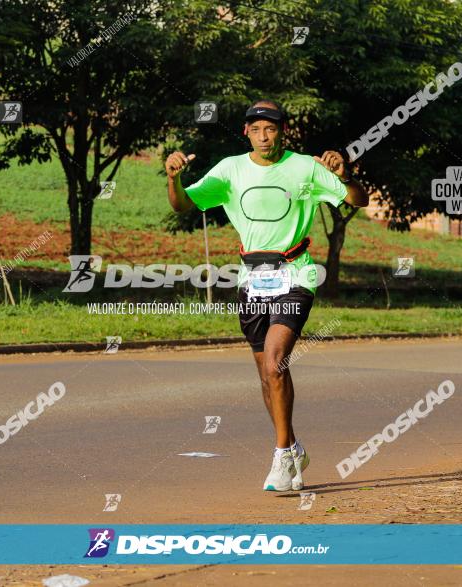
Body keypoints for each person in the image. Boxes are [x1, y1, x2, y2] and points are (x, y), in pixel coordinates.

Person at [165, 99, 368, 491]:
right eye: (256, 129)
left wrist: (347, 176)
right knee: (266, 375)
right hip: (252, 279)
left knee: (275, 364)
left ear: (281, 131)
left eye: (270, 129)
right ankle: (292, 447)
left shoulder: (305, 167)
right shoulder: (230, 169)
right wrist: (172, 178)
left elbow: (357, 200)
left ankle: (279, 457)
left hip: (296, 274)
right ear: (246, 133)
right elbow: (182, 205)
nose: (263, 136)